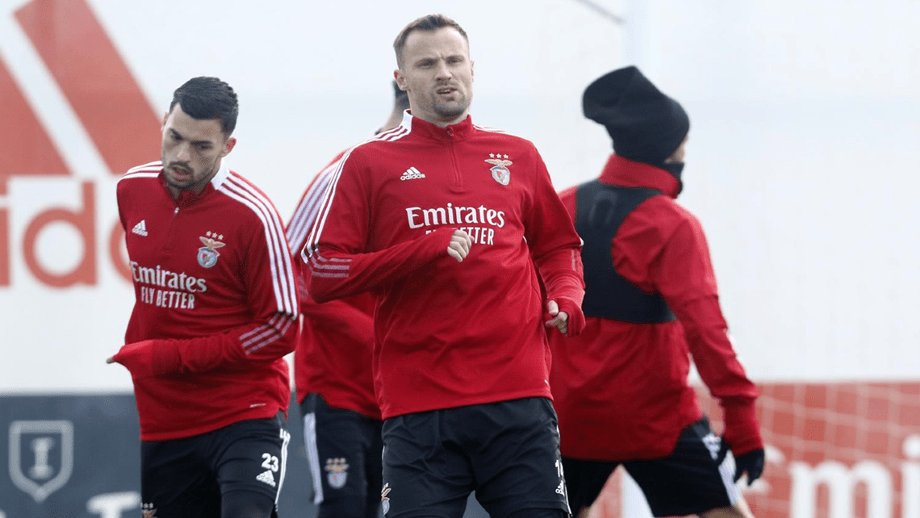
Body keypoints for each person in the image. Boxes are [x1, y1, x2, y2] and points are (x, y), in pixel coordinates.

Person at [301, 14, 586, 518]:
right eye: (427, 64)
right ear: (401, 79)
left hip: (518, 399)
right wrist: (420, 250)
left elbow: (558, 247)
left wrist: (567, 295)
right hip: (419, 408)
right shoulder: (366, 162)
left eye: (454, 61)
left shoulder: (518, 155)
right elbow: (321, 275)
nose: (444, 73)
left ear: (473, 68)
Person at [548, 66, 765, 518]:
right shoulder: (672, 225)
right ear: (669, 149)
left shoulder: (561, 205)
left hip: (569, 417)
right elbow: (708, 333)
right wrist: (741, 420)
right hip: (657, 420)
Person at [107, 76, 300, 518]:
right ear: (163, 122)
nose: (182, 156)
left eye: (201, 147)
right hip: (164, 418)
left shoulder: (253, 215)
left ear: (228, 147)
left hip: (244, 411)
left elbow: (282, 328)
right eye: (175, 137)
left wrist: (171, 357)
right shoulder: (131, 189)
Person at [285, 81, 409, 518]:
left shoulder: (430, 186)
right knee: (345, 508)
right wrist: (369, 331)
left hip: (400, 396)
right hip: (336, 389)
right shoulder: (341, 175)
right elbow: (287, 277)